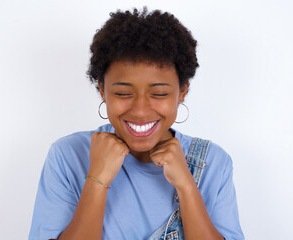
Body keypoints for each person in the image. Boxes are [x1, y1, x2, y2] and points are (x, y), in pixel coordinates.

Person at [29, 7, 245, 240]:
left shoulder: (213, 163)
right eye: (123, 93)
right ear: (102, 89)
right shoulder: (68, 156)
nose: (140, 111)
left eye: (159, 94)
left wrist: (187, 187)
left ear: (182, 92)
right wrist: (97, 180)